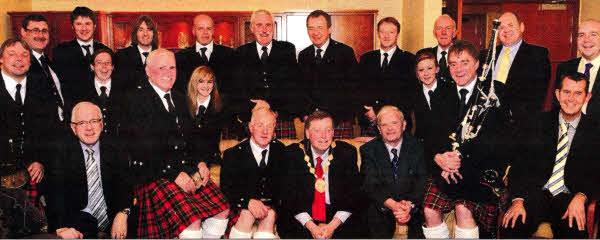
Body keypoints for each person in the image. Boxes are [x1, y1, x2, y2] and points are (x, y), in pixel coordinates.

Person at [120, 49, 230, 238]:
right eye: (162, 68)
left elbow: (192, 138)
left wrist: (201, 162)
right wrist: (174, 175)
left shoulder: (179, 98)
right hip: (153, 176)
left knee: (223, 209)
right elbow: (141, 150)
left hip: (183, 171)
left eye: (172, 67)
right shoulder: (135, 101)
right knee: (192, 218)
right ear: (148, 71)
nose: (168, 73)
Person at [421, 40, 510, 238]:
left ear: (477, 64)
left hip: (480, 169)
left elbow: (496, 140)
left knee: (463, 209)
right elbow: (429, 136)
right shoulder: (440, 95)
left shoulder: (494, 91)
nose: (458, 69)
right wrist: (439, 159)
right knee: (429, 209)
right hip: (446, 168)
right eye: (453, 64)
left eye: (464, 62)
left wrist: (457, 161)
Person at [502, 72, 600, 238]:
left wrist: (582, 196)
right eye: (567, 92)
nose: (571, 98)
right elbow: (519, 165)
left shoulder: (595, 130)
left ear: (587, 97)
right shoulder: (537, 123)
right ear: (557, 94)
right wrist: (517, 200)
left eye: (578, 93)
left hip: (570, 197)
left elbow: (597, 173)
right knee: (512, 225)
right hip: (536, 194)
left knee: (575, 231)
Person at [0, 37, 56, 238]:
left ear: (30, 61)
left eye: (24, 55)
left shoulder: (41, 88)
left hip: (31, 175)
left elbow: (49, 130)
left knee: (30, 231)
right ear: (1, 59)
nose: (19, 59)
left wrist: (39, 159)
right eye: (12, 54)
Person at [47, 102, 128, 239]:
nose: (89, 128)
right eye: (82, 123)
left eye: (94, 121)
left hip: (113, 218)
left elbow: (126, 185)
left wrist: (123, 212)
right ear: (73, 128)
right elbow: (55, 194)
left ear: (101, 124)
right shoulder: (61, 152)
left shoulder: (116, 148)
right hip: (79, 222)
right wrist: (61, 228)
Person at [281, 110, 363, 238]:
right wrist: (312, 226)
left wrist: (331, 226)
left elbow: (352, 195)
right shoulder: (293, 154)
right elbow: (290, 198)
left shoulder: (346, 153)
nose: (323, 136)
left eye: (328, 130)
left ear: (333, 132)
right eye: (317, 131)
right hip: (304, 215)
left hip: (337, 215)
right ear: (307, 133)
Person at [360, 106, 427, 238]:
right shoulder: (368, 150)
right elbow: (370, 184)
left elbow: (421, 181)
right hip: (383, 204)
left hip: (411, 205)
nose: (389, 128)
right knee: (372, 215)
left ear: (404, 125)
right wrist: (394, 205)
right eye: (384, 125)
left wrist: (409, 205)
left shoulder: (417, 147)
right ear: (379, 129)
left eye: (394, 123)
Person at [232, 9, 300, 139]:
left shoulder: (286, 50)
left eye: (268, 25)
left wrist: (270, 105)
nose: (264, 29)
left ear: (273, 27)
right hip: (252, 119)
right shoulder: (240, 53)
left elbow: (293, 87)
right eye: (259, 25)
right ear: (251, 28)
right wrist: (254, 107)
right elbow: (236, 90)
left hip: (280, 117)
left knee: (285, 158)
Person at [220, 107, 286, 238]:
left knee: (270, 215)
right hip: (242, 206)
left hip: (272, 207)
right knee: (247, 214)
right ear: (250, 127)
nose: (265, 131)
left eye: (269, 126)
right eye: (260, 125)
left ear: (274, 128)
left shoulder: (281, 150)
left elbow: (286, 186)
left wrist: (271, 207)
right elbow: (227, 188)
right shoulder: (232, 154)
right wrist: (248, 202)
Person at [481, 11, 551, 128]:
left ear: (522, 27)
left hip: (520, 126)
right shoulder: (486, 54)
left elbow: (538, 95)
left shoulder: (538, 55)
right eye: (501, 27)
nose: (506, 30)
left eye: (511, 25)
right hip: (488, 123)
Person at [298, 10, 360, 139]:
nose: (315, 32)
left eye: (320, 27)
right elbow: (300, 88)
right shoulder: (304, 55)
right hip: (313, 121)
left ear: (329, 29)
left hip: (339, 120)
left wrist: (331, 116)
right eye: (311, 28)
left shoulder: (345, 52)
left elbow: (353, 89)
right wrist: (305, 113)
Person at [359, 17, 416, 137]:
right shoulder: (366, 58)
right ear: (378, 34)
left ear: (397, 34)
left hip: (397, 125)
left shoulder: (409, 60)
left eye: (391, 32)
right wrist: (368, 112)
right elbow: (359, 89)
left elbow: (409, 94)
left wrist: (379, 112)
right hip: (370, 123)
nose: (386, 36)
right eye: (383, 31)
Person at [20, 14, 70, 123]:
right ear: (23, 32)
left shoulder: (48, 61)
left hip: (60, 126)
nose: (41, 35)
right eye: (35, 30)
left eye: (44, 31)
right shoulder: (21, 64)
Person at [411, 51, 456, 172]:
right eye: (421, 70)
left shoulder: (451, 90)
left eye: (429, 68)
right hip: (425, 151)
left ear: (437, 69)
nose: (426, 73)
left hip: (450, 151)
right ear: (417, 74)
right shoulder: (412, 95)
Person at [52, 6, 110, 94]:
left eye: (87, 24)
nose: (84, 29)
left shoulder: (105, 50)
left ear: (94, 26)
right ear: (72, 26)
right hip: (73, 105)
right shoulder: (61, 50)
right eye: (79, 24)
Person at [175, 14, 234, 95]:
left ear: (213, 31)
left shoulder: (229, 54)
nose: (205, 32)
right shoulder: (180, 57)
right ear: (193, 31)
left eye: (209, 28)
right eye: (200, 28)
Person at [74, 48, 124, 138]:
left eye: (108, 63)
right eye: (99, 63)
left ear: (113, 67)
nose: (104, 67)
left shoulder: (124, 90)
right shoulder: (80, 91)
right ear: (92, 67)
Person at [555, 19, 600, 117]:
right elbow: (556, 107)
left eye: (593, 34)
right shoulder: (564, 67)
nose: (587, 40)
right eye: (581, 35)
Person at [186, 66, 228, 164]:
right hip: (188, 160)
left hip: (211, 160)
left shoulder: (221, 105)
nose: (206, 86)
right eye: (201, 81)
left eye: (209, 82)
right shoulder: (184, 104)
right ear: (194, 83)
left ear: (214, 84)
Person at [113, 15, 158, 91]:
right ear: (135, 33)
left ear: (153, 33)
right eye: (141, 30)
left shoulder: (161, 56)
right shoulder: (121, 56)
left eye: (149, 30)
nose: (145, 34)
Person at [416, 14, 457, 83]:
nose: (443, 32)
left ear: (454, 33)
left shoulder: (462, 56)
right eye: (439, 28)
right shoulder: (423, 54)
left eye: (448, 28)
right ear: (434, 33)